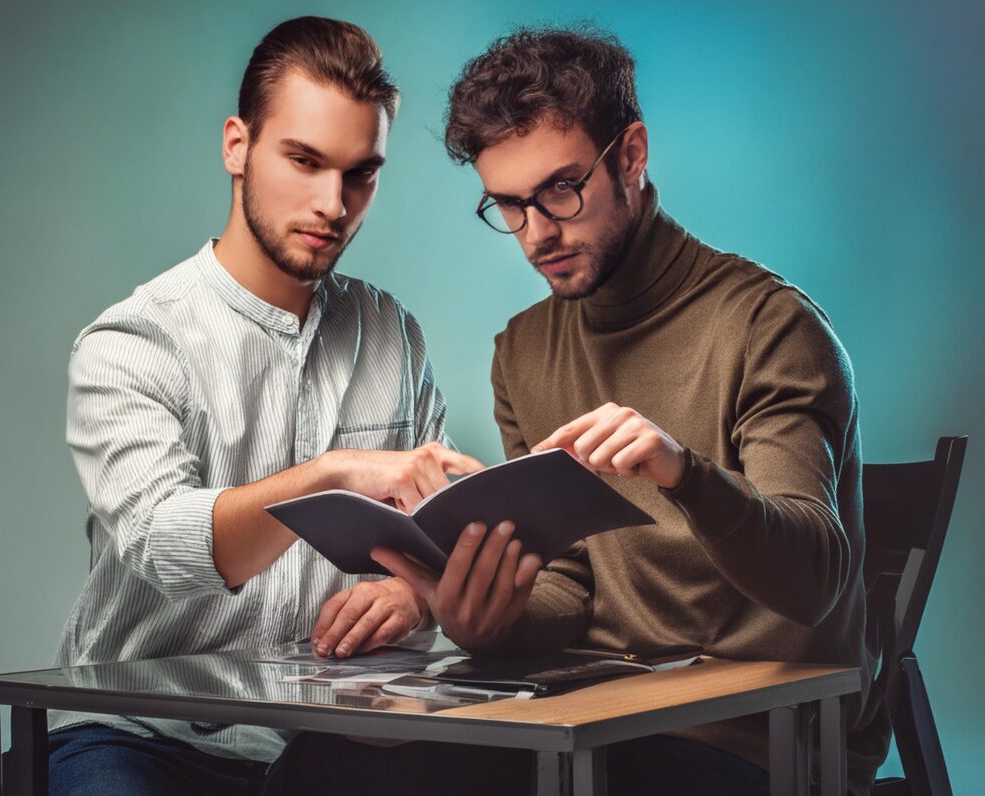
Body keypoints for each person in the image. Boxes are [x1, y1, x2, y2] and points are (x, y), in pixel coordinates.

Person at [372, 25, 891, 796]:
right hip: (598, 720)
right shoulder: (521, 351)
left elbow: (815, 576)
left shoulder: (770, 326)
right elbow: (570, 588)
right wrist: (486, 617)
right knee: (334, 763)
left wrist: (683, 474)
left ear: (632, 157)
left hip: (758, 742)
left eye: (559, 188)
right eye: (509, 205)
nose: (537, 232)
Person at [45, 16, 482, 794]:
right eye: (305, 160)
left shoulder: (391, 335)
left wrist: (411, 597)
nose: (332, 203)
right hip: (139, 732)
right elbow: (165, 547)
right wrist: (332, 474)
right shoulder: (130, 343)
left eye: (360, 173)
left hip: (332, 733)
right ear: (237, 147)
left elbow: (432, 538)